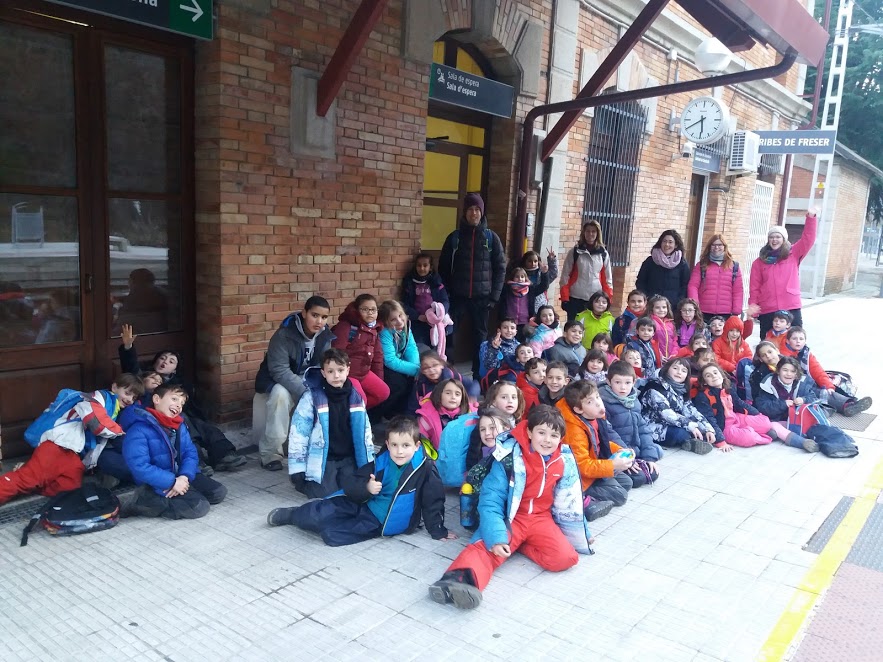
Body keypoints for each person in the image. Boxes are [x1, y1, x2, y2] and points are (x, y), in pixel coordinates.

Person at [428, 406, 592, 610]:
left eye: (554, 435)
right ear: (529, 432)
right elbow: (491, 500)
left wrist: (583, 531)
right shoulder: (509, 458)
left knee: (565, 558)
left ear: (561, 438)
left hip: (541, 519)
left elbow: (570, 499)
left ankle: (518, 544)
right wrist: (497, 537)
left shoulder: (562, 460)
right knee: (490, 548)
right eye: (541, 433)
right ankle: (457, 581)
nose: (547, 440)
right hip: (511, 518)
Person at [268, 416, 456, 546]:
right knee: (319, 512)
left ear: (416, 446)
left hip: (378, 522)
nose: (399, 451)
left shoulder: (425, 468)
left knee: (332, 535)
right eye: (395, 445)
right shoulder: (381, 461)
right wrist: (367, 487)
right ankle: (293, 515)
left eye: (406, 445)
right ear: (387, 444)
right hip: (363, 503)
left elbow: (433, 501)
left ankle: (322, 521)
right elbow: (352, 482)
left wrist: (438, 530)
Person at [119, 324, 246, 474]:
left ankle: (224, 455)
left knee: (205, 427)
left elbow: (190, 407)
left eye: (171, 361)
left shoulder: (180, 385)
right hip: (155, 419)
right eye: (162, 358)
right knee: (184, 423)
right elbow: (132, 368)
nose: (165, 362)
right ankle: (197, 463)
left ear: (175, 370)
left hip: (183, 417)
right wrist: (128, 347)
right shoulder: (144, 379)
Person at [0, 375, 144, 505]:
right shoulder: (100, 397)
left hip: (74, 455)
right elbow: (95, 421)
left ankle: (30, 470)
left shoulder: (114, 408)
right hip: (58, 446)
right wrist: (120, 433)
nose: (130, 399)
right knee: (26, 480)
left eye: (134, 397)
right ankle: (26, 474)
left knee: (68, 492)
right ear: (114, 387)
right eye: (127, 393)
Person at [120, 383, 228, 519]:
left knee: (218, 492)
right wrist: (172, 482)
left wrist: (184, 476)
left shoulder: (178, 425)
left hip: (179, 475)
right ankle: (144, 501)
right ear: (157, 399)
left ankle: (183, 491)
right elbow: (139, 466)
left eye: (182, 403)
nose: (178, 405)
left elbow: (190, 452)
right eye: (174, 399)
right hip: (157, 482)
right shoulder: (138, 429)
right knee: (198, 507)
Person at [255, 296, 334, 471]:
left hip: (308, 379)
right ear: (304, 313)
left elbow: (325, 365)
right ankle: (270, 454)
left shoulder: (325, 335)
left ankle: (316, 449)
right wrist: (306, 391)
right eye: (314, 315)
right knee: (280, 395)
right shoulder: (284, 335)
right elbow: (279, 370)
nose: (319, 321)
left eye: (324, 317)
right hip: (278, 380)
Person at [287, 349, 375, 498]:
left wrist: (369, 463)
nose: (336, 376)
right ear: (323, 373)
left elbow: (365, 433)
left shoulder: (355, 398)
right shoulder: (312, 398)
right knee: (323, 495)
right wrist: (297, 468)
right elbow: (299, 433)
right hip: (324, 458)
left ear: (348, 370)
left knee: (354, 492)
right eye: (330, 371)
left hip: (348, 458)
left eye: (340, 370)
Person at [438, 193, 507, 376]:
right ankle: (449, 372)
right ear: (465, 212)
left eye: (477, 209)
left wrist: (494, 297)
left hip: (482, 299)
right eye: (470, 209)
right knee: (449, 333)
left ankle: (479, 374)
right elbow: (443, 268)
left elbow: (501, 269)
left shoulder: (491, 238)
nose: (473, 213)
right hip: (457, 297)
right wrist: (446, 294)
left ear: (482, 212)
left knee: (480, 339)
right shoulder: (455, 238)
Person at [693, 363, 813, 452]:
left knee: (765, 422)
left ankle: (756, 430)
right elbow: (709, 419)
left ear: (722, 375)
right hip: (724, 427)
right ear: (705, 382)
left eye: (715, 373)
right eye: (708, 376)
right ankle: (763, 436)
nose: (713, 376)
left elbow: (739, 404)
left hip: (736, 418)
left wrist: (757, 414)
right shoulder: (703, 396)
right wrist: (720, 441)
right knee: (748, 438)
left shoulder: (728, 389)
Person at [557, 380, 638, 509]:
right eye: (590, 402)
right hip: (580, 479)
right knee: (620, 496)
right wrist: (612, 465)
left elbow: (599, 443)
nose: (598, 403)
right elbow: (582, 466)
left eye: (597, 397)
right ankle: (582, 496)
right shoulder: (574, 431)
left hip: (593, 466)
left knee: (627, 482)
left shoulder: (593, 416)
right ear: (578, 409)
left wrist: (620, 450)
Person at [748, 208, 818, 339]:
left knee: (794, 342)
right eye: (771, 237)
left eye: (778, 237)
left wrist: (811, 217)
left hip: (790, 306)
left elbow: (808, 239)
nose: (774, 240)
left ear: (784, 239)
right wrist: (753, 305)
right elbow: (755, 287)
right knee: (768, 344)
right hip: (768, 308)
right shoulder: (759, 262)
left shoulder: (794, 254)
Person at [781, 327, 872, 416]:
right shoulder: (784, 355)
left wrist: (828, 386)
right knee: (820, 393)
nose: (798, 341)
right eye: (794, 339)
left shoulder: (806, 354)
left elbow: (817, 371)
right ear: (788, 341)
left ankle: (850, 402)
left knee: (829, 388)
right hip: (794, 387)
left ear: (805, 341)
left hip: (806, 382)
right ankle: (846, 406)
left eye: (801, 339)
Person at [638, 357, 718, 454]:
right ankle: (688, 441)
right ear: (667, 369)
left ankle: (691, 442)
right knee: (681, 433)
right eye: (675, 368)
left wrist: (708, 429)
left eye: (684, 371)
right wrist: (690, 425)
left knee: (698, 430)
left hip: (670, 423)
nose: (679, 372)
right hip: (650, 426)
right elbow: (666, 413)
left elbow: (691, 411)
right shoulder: (655, 387)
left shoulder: (681, 390)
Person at [600, 361, 662, 484]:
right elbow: (608, 434)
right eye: (618, 382)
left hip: (634, 449)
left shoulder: (634, 402)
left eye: (627, 383)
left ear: (634, 382)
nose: (623, 387)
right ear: (609, 381)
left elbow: (643, 430)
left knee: (653, 469)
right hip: (616, 453)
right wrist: (628, 457)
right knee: (639, 478)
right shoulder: (603, 403)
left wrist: (649, 458)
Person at [331, 293, 390, 412]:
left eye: (373, 310)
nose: (370, 313)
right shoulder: (347, 326)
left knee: (383, 392)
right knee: (361, 400)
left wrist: (379, 378)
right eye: (365, 309)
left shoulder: (374, 329)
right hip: (348, 373)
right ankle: (354, 412)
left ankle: (352, 411)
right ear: (357, 310)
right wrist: (340, 376)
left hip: (364, 372)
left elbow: (378, 357)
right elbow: (337, 352)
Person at [559, 220, 613, 321]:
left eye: (593, 231)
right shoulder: (575, 252)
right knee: (574, 328)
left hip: (595, 299)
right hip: (576, 298)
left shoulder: (603, 253)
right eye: (588, 231)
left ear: (597, 234)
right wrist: (565, 298)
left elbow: (607, 279)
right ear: (583, 233)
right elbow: (565, 276)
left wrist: (608, 299)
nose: (590, 234)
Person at [376, 300, 420, 419]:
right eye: (393, 319)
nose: (399, 321)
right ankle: (380, 414)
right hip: (385, 365)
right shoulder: (385, 332)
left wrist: (416, 367)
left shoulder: (406, 327)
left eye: (400, 315)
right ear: (386, 322)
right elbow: (389, 360)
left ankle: (402, 411)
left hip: (398, 360)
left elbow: (411, 347)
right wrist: (415, 370)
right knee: (398, 384)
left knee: (412, 381)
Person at [687, 235, 746, 321]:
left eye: (720, 245)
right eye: (713, 245)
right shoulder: (701, 265)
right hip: (703, 312)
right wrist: (695, 305)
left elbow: (738, 290)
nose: (716, 247)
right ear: (709, 247)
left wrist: (736, 311)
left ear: (724, 247)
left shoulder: (734, 267)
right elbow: (693, 286)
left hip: (726, 314)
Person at [401, 253, 450, 348]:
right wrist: (418, 316)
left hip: (434, 323)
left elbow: (445, 301)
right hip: (417, 322)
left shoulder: (436, 282)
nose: (422, 268)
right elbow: (404, 304)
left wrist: (438, 314)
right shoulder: (409, 283)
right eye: (419, 265)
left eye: (425, 265)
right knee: (419, 347)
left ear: (430, 267)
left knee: (434, 347)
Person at [408, 350, 477, 413]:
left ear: (442, 365)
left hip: (456, 413)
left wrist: (472, 395)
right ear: (422, 371)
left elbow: (474, 384)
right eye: (426, 367)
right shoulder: (420, 384)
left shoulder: (452, 376)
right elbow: (413, 407)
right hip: (433, 417)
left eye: (435, 365)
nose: (431, 370)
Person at [635, 230, 691, 305]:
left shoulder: (682, 263)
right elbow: (641, 282)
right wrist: (647, 297)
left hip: (673, 306)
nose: (667, 244)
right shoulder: (650, 261)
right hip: (652, 304)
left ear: (676, 245)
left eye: (670, 242)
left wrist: (679, 301)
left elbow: (685, 285)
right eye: (664, 241)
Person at [417, 379, 473, 451]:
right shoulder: (426, 418)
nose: (453, 397)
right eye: (448, 393)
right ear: (439, 395)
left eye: (457, 394)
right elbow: (423, 445)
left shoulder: (471, 414)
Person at [498, 267, 541, 332]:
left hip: (525, 322)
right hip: (509, 322)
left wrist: (545, 273)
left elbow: (543, 286)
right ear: (513, 278)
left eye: (522, 277)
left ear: (525, 278)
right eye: (517, 277)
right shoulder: (507, 289)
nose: (520, 279)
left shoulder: (530, 289)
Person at [521, 248, 559, 315]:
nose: (533, 264)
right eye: (530, 261)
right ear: (525, 262)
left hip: (541, 305)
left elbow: (553, 274)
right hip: (525, 304)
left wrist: (552, 260)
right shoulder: (521, 273)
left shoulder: (541, 273)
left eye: (535, 261)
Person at [648, 295, 678, 363]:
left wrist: (674, 354)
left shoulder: (671, 323)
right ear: (652, 309)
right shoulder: (650, 322)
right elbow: (649, 341)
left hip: (670, 359)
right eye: (657, 307)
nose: (661, 310)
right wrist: (659, 355)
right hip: (655, 358)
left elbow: (674, 340)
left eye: (664, 307)